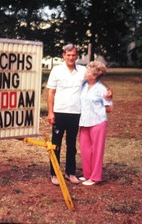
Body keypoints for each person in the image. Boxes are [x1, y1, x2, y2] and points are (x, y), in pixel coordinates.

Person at [46, 43, 86, 185]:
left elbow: (95, 80)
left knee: (71, 145)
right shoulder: (56, 70)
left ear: (77, 56)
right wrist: (50, 112)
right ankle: (54, 173)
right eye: (68, 55)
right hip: (59, 112)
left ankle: (70, 172)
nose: (70, 57)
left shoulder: (83, 70)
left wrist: (108, 90)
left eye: (73, 55)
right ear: (63, 55)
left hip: (75, 112)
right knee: (55, 144)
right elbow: (51, 92)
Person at [78, 61, 113, 186]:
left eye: (88, 72)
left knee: (97, 151)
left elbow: (109, 108)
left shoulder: (101, 89)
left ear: (94, 76)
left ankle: (95, 177)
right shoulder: (83, 86)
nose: (85, 73)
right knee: (85, 150)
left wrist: (99, 106)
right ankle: (87, 174)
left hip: (98, 122)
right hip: (84, 123)